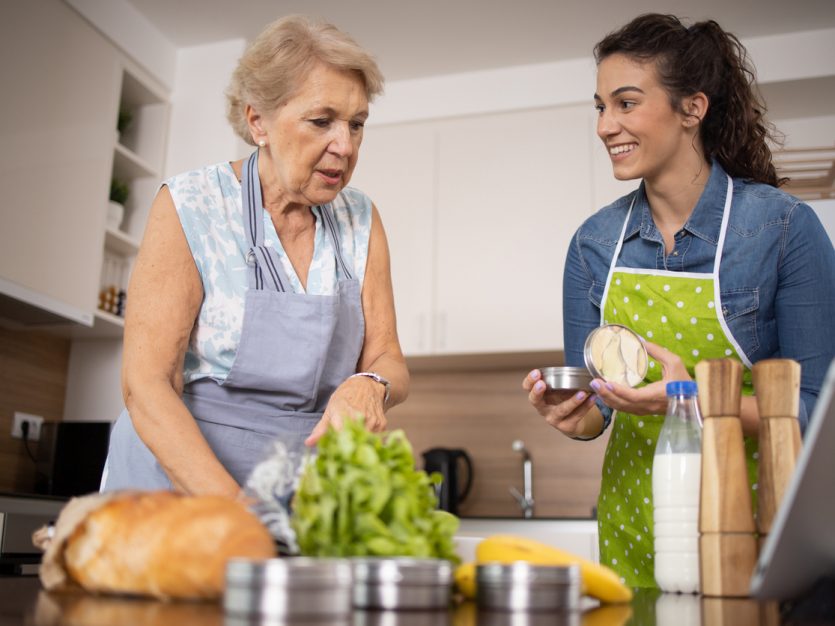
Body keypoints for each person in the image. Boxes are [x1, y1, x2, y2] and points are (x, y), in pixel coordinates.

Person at [523, 13, 835, 587]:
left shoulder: (784, 228)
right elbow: (601, 409)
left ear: (692, 108)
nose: (604, 125)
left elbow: (819, 415)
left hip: (755, 527)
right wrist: (572, 416)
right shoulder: (593, 246)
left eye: (625, 103)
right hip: (636, 529)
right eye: (599, 106)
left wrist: (688, 401)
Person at [101, 15, 408, 497]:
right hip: (181, 485)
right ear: (257, 120)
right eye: (321, 121)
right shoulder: (192, 205)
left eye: (357, 123)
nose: (345, 145)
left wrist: (370, 383)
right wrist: (236, 514)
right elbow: (147, 385)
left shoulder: (361, 219)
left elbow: (388, 356)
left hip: (301, 489)